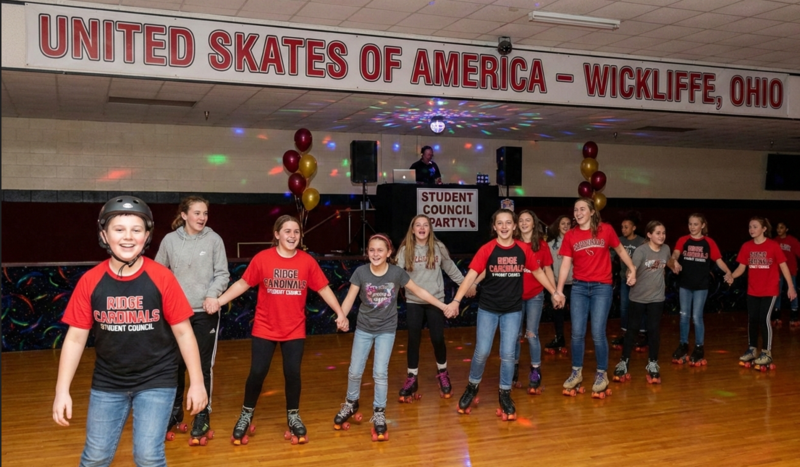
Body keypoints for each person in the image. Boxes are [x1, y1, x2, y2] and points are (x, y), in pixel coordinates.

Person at [53, 196, 208, 466]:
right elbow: (76, 339)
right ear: (104, 234)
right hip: (108, 382)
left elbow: (184, 333)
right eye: (119, 229)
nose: (128, 237)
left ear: (146, 235)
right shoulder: (91, 281)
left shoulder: (162, 278)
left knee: (148, 456)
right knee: (95, 457)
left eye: (136, 230)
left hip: (156, 380)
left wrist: (197, 382)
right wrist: (61, 390)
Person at [209, 215, 348, 446]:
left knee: (292, 374)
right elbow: (243, 284)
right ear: (277, 234)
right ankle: (245, 414)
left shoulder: (307, 262)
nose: (292, 235)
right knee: (257, 373)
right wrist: (219, 301)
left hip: (294, 329)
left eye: (296, 231)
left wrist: (341, 313)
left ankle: (293, 416)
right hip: (265, 327)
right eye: (287, 231)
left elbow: (323, 288)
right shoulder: (262, 259)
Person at [445, 209, 563, 420]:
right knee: (482, 351)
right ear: (495, 227)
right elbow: (471, 276)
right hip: (488, 309)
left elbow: (537, 272)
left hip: (512, 310)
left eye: (509, 223)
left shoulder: (522, 250)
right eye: (500, 223)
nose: (505, 226)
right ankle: (472, 388)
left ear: (514, 226)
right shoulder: (487, 249)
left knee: (508, 354)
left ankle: (505, 394)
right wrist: (456, 301)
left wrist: (554, 292)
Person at [332, 234, 450, 441]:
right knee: (355, 370)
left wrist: (442, 305)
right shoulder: (361, 273)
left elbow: (420, 291)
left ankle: (379, 412)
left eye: (380, 250)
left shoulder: (397, 273)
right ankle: (351, 403)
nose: (375, 254)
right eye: (371, 250)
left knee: (380, 373)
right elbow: (349, 298)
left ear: (389, 253)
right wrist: (341, 317)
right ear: (367, 252)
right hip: (364, 329)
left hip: (386, 330)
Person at [155, 195, 230, 445]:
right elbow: (159, 273)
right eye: (197, 213)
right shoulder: (170, 241)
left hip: (204, 313)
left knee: (202, 365)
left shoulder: (214, 239)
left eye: (205, 213)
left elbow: (222, 273)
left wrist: (212, 295)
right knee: (174, 365)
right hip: (175, 315)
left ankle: (202, 413)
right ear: (184, 215)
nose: (202, 218)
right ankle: (175, 412)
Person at [556, 197, 636, 399]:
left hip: (602, 287)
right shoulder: (571, 235)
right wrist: (558, 290)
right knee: (577, 332)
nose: (578, 212)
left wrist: (632, 268)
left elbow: (620, 250)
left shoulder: (606, 230)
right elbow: (565, 264)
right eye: (575, 209)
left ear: (592, 212)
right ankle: (576, 372)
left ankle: (602, 374)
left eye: (582, 209)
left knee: (598, 332)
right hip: (579, 287)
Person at [394, 215, 475, 401]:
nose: (422, 228)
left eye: (425, 225)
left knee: (437, 338)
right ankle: (412, 378)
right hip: (414, 301)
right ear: (412, 229)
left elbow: (451, 269)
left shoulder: (438, 248)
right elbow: (396, 276)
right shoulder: (405, 250)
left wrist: (466, 285)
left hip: (436, 301)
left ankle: (443, 373)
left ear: (430, 229)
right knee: (413, 339)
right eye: (418, 225)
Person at [731, 217, 796, 370]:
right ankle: (752, 349)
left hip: (769, 290)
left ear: (764, 229)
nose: (751, 229)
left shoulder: (773, 246)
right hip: (753, 290)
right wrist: (731, 276)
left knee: (764, 319)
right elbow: (741, 268)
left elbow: (784, 266)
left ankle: (767, 352)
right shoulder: (746, 246)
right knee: (752, 319)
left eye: (755, 226)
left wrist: (791, 287)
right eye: (749, 227)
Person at [669, 213, 733, 366]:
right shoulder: (683, 240)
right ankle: (683, 344)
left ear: (702, 225)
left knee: (697, 317)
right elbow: (675, 254)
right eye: (690, 224)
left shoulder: (709, 242)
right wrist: (674, 262)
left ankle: (699, 347)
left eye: (695, 224)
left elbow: (718, 260)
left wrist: (728, 272)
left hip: (701, 287)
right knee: (684, 316)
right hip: (685, 285)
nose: (692, 227)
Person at [613, 221, 671, 384]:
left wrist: (675, 264)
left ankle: (653, 363)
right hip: (638, 297)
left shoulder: (666, 249)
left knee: (653, 331)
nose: (662, 236)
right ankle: (624, 361)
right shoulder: (641, 251)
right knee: (632, 330)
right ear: (649, 235)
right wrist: (631, 277)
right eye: (658, 233)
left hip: (656, 298)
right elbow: (633, 268)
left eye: (664, 233)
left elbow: (668, 263)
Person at [512, 210, 555, 395]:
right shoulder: (512, 244)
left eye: (527, 220)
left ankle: (535, 370)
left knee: (531, 334)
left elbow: (548, 270)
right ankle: (512, 367)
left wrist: (555, 293)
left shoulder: (542, 245)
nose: (523, 223)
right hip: (514, 296)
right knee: (514, 335)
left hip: (535, 295)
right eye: (520, 220)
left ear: (533, 223)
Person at [610, 213, 646, 350]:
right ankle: (625, 333)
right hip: (624, 279)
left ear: (634, 228)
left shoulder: (642, 242)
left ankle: (642, 334)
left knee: (639, 307)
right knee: (624, 307)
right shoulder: (619, 241)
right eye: (622, 227)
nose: (623, 229)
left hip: (639, 281)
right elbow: (610, 256)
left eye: (626, 227)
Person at [544, 215, 573, 354]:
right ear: (558, 226)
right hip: (557, 285)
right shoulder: (550, 244)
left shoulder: (576, 242)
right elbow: (547, 267)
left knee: (575, 314)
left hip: (575, 284)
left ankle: (576, 340)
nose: (566, 226)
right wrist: (552, 289)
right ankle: (559, 338)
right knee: (558, 312)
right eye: (563, 223)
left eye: (568, 223)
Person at [774, 221, 800, 326]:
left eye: (781, 227)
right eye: (777, 228)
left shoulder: (792, 241)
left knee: (792, 293)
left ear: (786, 229)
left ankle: (794, 317)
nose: (779, 230)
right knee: (777, 293)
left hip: (791, 271)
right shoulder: (774, 241)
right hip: (777, 272)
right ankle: (776, 316)